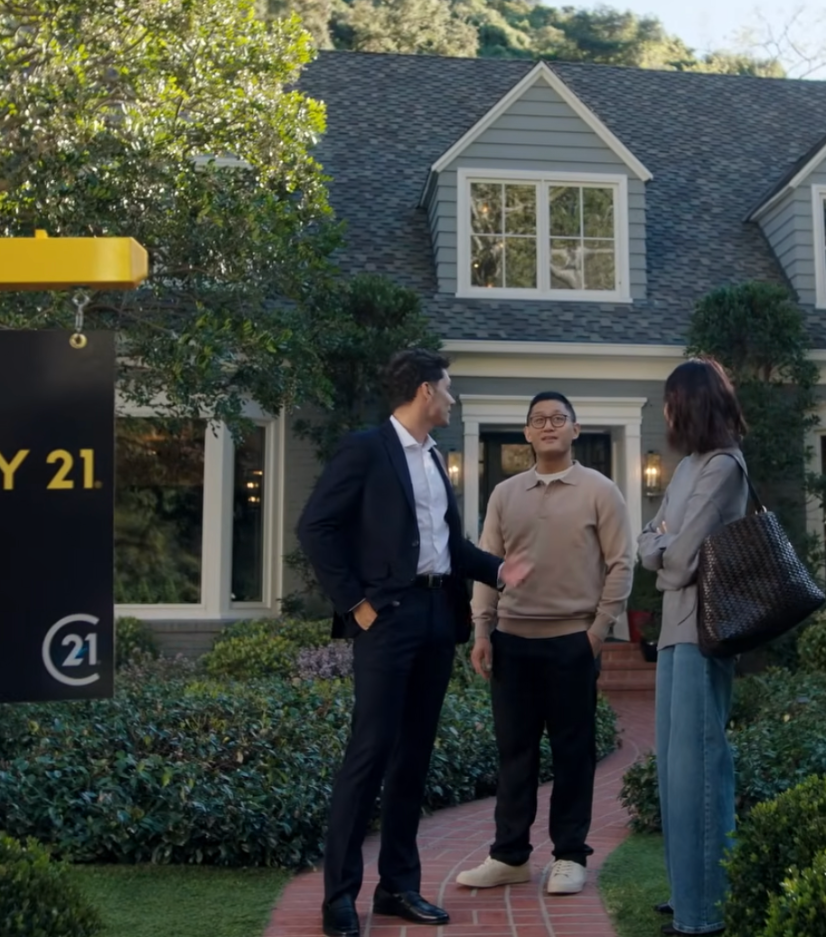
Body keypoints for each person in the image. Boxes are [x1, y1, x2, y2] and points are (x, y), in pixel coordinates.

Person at [297, 348, 531, 937]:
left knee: (413, 758)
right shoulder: (365, 449)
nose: (452, 398)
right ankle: (339, 898)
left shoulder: (434, 457)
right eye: (447, 388)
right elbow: (315, 526)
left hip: (436, 617)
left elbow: (449, 548)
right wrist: (355, 604)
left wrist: (500, 570)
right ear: (426, 390)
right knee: (370, 753)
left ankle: (398, 886)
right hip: (387, 619)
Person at [456, 391, 632, 897]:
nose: (549, 426)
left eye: (559, 418)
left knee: (573, 753)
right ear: (527, 433)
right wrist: (482, 630)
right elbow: (488, 563)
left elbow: (621, 563)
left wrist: (598, 630)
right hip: (512, 643)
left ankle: (569, 856)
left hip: (572, 643)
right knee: (515, 753)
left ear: (576, 430)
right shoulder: (505, 494)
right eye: (539, 420)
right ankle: (509, 856)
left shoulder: (600, 490)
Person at [638, 358, 750, 937]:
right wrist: (661, 547)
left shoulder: (725, 466)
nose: (665, 411)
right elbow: (648, 539)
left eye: (670, 400)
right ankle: (688, 891)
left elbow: (677, 558)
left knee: (700, 768)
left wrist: (662, 548)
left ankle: (703, 914)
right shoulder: (685, 468)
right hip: (673, 630)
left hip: (705, 632)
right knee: (673, 769)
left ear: (689, 403)